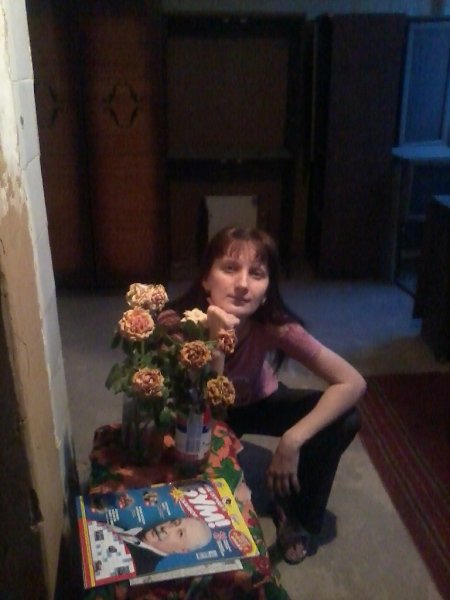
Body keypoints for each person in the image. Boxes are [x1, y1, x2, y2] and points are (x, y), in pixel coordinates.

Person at [162, 226, 366, 565]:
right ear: (206, 279)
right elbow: (202, 405)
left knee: (345, 418)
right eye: (230, 268)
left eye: (256, 274)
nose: (243, 284)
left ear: (268, 289)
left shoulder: (274, 325)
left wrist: (292, 440)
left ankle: (298, 515)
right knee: (180, 474)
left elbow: (352, 382)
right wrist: (216, 338)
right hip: (203, 414)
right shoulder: (178, 325)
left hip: (258, 400)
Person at [109, 516, 212, 576]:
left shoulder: (137, 568)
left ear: (182, 550)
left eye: (180, 534)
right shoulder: (130, 527)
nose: (166, 528)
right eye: (174, 523)